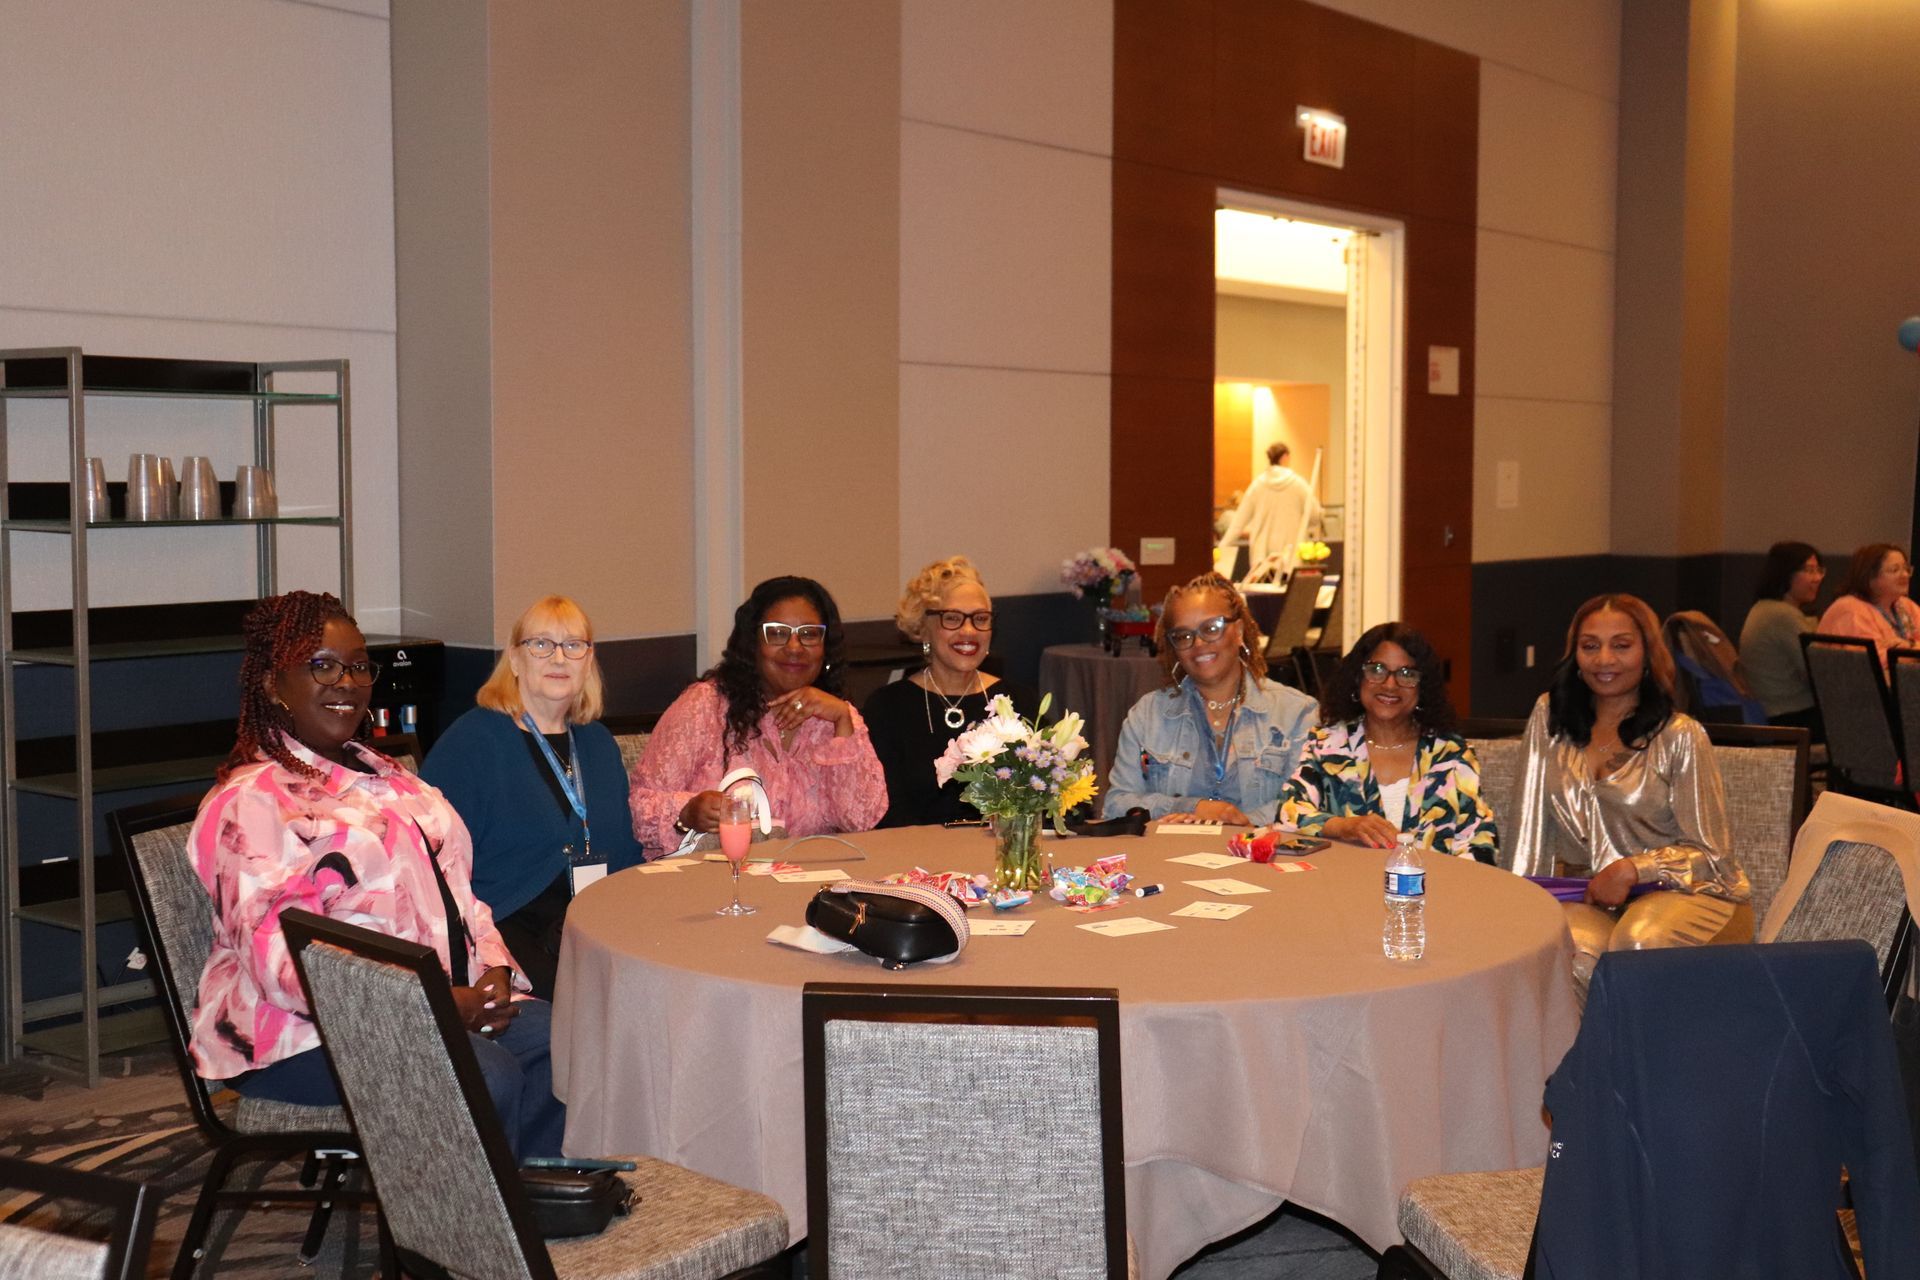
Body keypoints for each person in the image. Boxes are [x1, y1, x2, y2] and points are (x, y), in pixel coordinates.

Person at [188, 591, 563, 1158]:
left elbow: (464, 899)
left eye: (359, 665)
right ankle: (463, 1242)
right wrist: (434, 1002)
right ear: (272, 684)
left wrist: (496, 976)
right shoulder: (253, 805)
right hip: (301, 1034)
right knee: (482, 1077)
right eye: (322, 665)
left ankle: (538, 1209)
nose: (346, 681)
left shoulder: (390, 779)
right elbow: (287, 966)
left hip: (438, 1004)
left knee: (568, 1044)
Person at [1505, 593, 1752, 991]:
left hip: (1687, 895)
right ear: (1575, 654)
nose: (1604, 660)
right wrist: (1516, 906)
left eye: (1621, 645)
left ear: (1648, 653)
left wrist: (1635, 869)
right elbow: (1528, 826)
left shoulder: (1680, 736)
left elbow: (1714, 857)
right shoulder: (1550, 717)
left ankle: (1647, 1054)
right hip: (1586, 896)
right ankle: (1586, 1056)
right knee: (1572, 953)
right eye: (1590, 646)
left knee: (1637, 942)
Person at [422, 595, 643, 1000]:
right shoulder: (472, 742)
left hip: (591, 921)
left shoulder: (597, 743)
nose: (559, 658)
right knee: (603, 1003)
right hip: (506, 926)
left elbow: (624, 852)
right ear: (515, 659)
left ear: (589, 660)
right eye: (541, 644)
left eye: (574, 646)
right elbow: (435, 866)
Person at [630, 576, 886, 851]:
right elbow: (638, 807)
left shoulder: (836, 716)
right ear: (753, 644)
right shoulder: (705, 706)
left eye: (809, 634)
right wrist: (686, 812)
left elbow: (862, 821)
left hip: (805, 881)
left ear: (826, 648)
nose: (794, 647)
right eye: (777, 633)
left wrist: (842, 721)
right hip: (708, 881)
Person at [1105, 571, 1317, 824]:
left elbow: (1310, 804)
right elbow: (1116, 804)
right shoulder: (1147, 715)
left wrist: (1238, 822)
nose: (1198, 643)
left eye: (1211, 628)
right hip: (1169, 857)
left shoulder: (1295, 712)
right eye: (1183, 636)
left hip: (1259, 857)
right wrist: (1190, 807)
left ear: (1238, 632)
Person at [1275, 622, 1498, 862]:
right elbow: (1288, 813)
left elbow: (1481, 842)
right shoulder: (1327, 745)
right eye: (1377, 670)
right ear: (1358, 677)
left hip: (1435, 891)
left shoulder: (1451, 755)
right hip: (1342, 888)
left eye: (1407, 674)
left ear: (1422, 688)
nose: (1390, 684)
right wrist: (1344, 826)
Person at [863, 557, 1041, 827]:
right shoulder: (887, 708)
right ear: (923, 629)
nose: (969, 631)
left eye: (980, 619)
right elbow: (884, 813)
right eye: (953, 619)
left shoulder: (1020, 703)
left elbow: (1045, 802)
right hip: (913, 860)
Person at [1737, 541, 1824, 737]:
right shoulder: (1781, 615)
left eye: (1819, 570)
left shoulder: (1764, 608)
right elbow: (1817, 672)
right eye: (1809, 570)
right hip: (1787, 715)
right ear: (1786, 573)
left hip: (1775, 711)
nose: (1817, 578)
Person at [1216, 442, 1322, 582]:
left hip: (1261, 562)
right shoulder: (1299, 484)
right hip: (1289, 560)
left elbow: (1238, 523)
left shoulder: (1257, 485)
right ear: (1285, 457)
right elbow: (1315, 516)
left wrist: (1220, 549)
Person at [1817, 543, 1920, 670]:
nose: (1905, 575)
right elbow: (1874, 660)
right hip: (1857, 687)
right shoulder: (1850, 609)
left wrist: (1910, 646)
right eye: (1894, 570)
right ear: (1870, 576)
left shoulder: (1904, 604)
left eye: (1906, 569)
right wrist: (1913, 652)